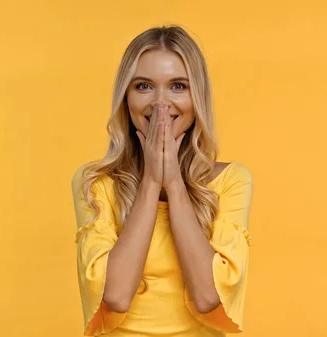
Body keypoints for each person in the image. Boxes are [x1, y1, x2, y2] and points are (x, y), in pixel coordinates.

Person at [71, 25, 254, 336]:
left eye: (178, 86)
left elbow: (209, 296)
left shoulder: (231, 180)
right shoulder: (95, 183)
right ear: (125, 98)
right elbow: (114, 295)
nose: (161, 103)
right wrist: (151, 182)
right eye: (143, 86)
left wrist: (175, 185)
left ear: (198, 97)